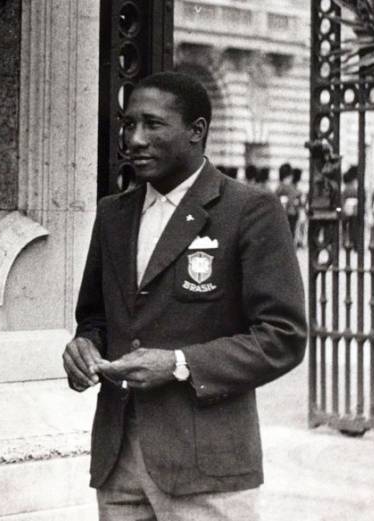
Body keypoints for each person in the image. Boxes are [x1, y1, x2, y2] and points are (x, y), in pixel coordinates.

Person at [63, 71, 306, 520]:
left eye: (153, 124)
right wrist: (85, 347)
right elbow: (96, 317)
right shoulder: (113, 214)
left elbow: (283, 336)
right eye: (128, 123)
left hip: (206, 465)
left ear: (197, 131)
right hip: (118, 461)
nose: (134, 138)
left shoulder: (249, 211)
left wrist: (178, 364)